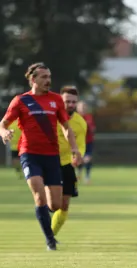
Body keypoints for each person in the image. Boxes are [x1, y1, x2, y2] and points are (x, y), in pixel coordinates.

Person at [0, 62, 82, 251]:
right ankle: (50, 240)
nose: (48, 80)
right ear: (32, 79)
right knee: (39, 197)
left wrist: (74, 148)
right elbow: (1, 124)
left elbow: (66, 127)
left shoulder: (56, 100)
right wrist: (4, 133)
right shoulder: (21, 101)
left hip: (52, 156)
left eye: (49, 77)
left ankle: (45, 218)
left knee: (56, 204)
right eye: (44, 77)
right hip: (29, 155)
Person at [51, 86, 87, 238]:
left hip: (67, 164)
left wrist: (78, 156)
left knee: (64, 204)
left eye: (73, 102)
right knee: (51, 203)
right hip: (49, 161)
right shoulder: (50, 117)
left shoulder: (80, 123)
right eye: (67, 101)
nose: (70, 105)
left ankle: (51, 237)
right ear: (60, 100)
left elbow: (81, 145)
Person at [76, 101, 96, 184]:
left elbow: (93, 129)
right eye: (81, 107)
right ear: (77, 108)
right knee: (79, 159)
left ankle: (87, 176)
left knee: (88, 159)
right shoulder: (74, 117)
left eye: (84, 107)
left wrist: (89, 128)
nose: (83, 109)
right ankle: (79, 173)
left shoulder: (89, 117)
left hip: (88, 142)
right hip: (78, 143)